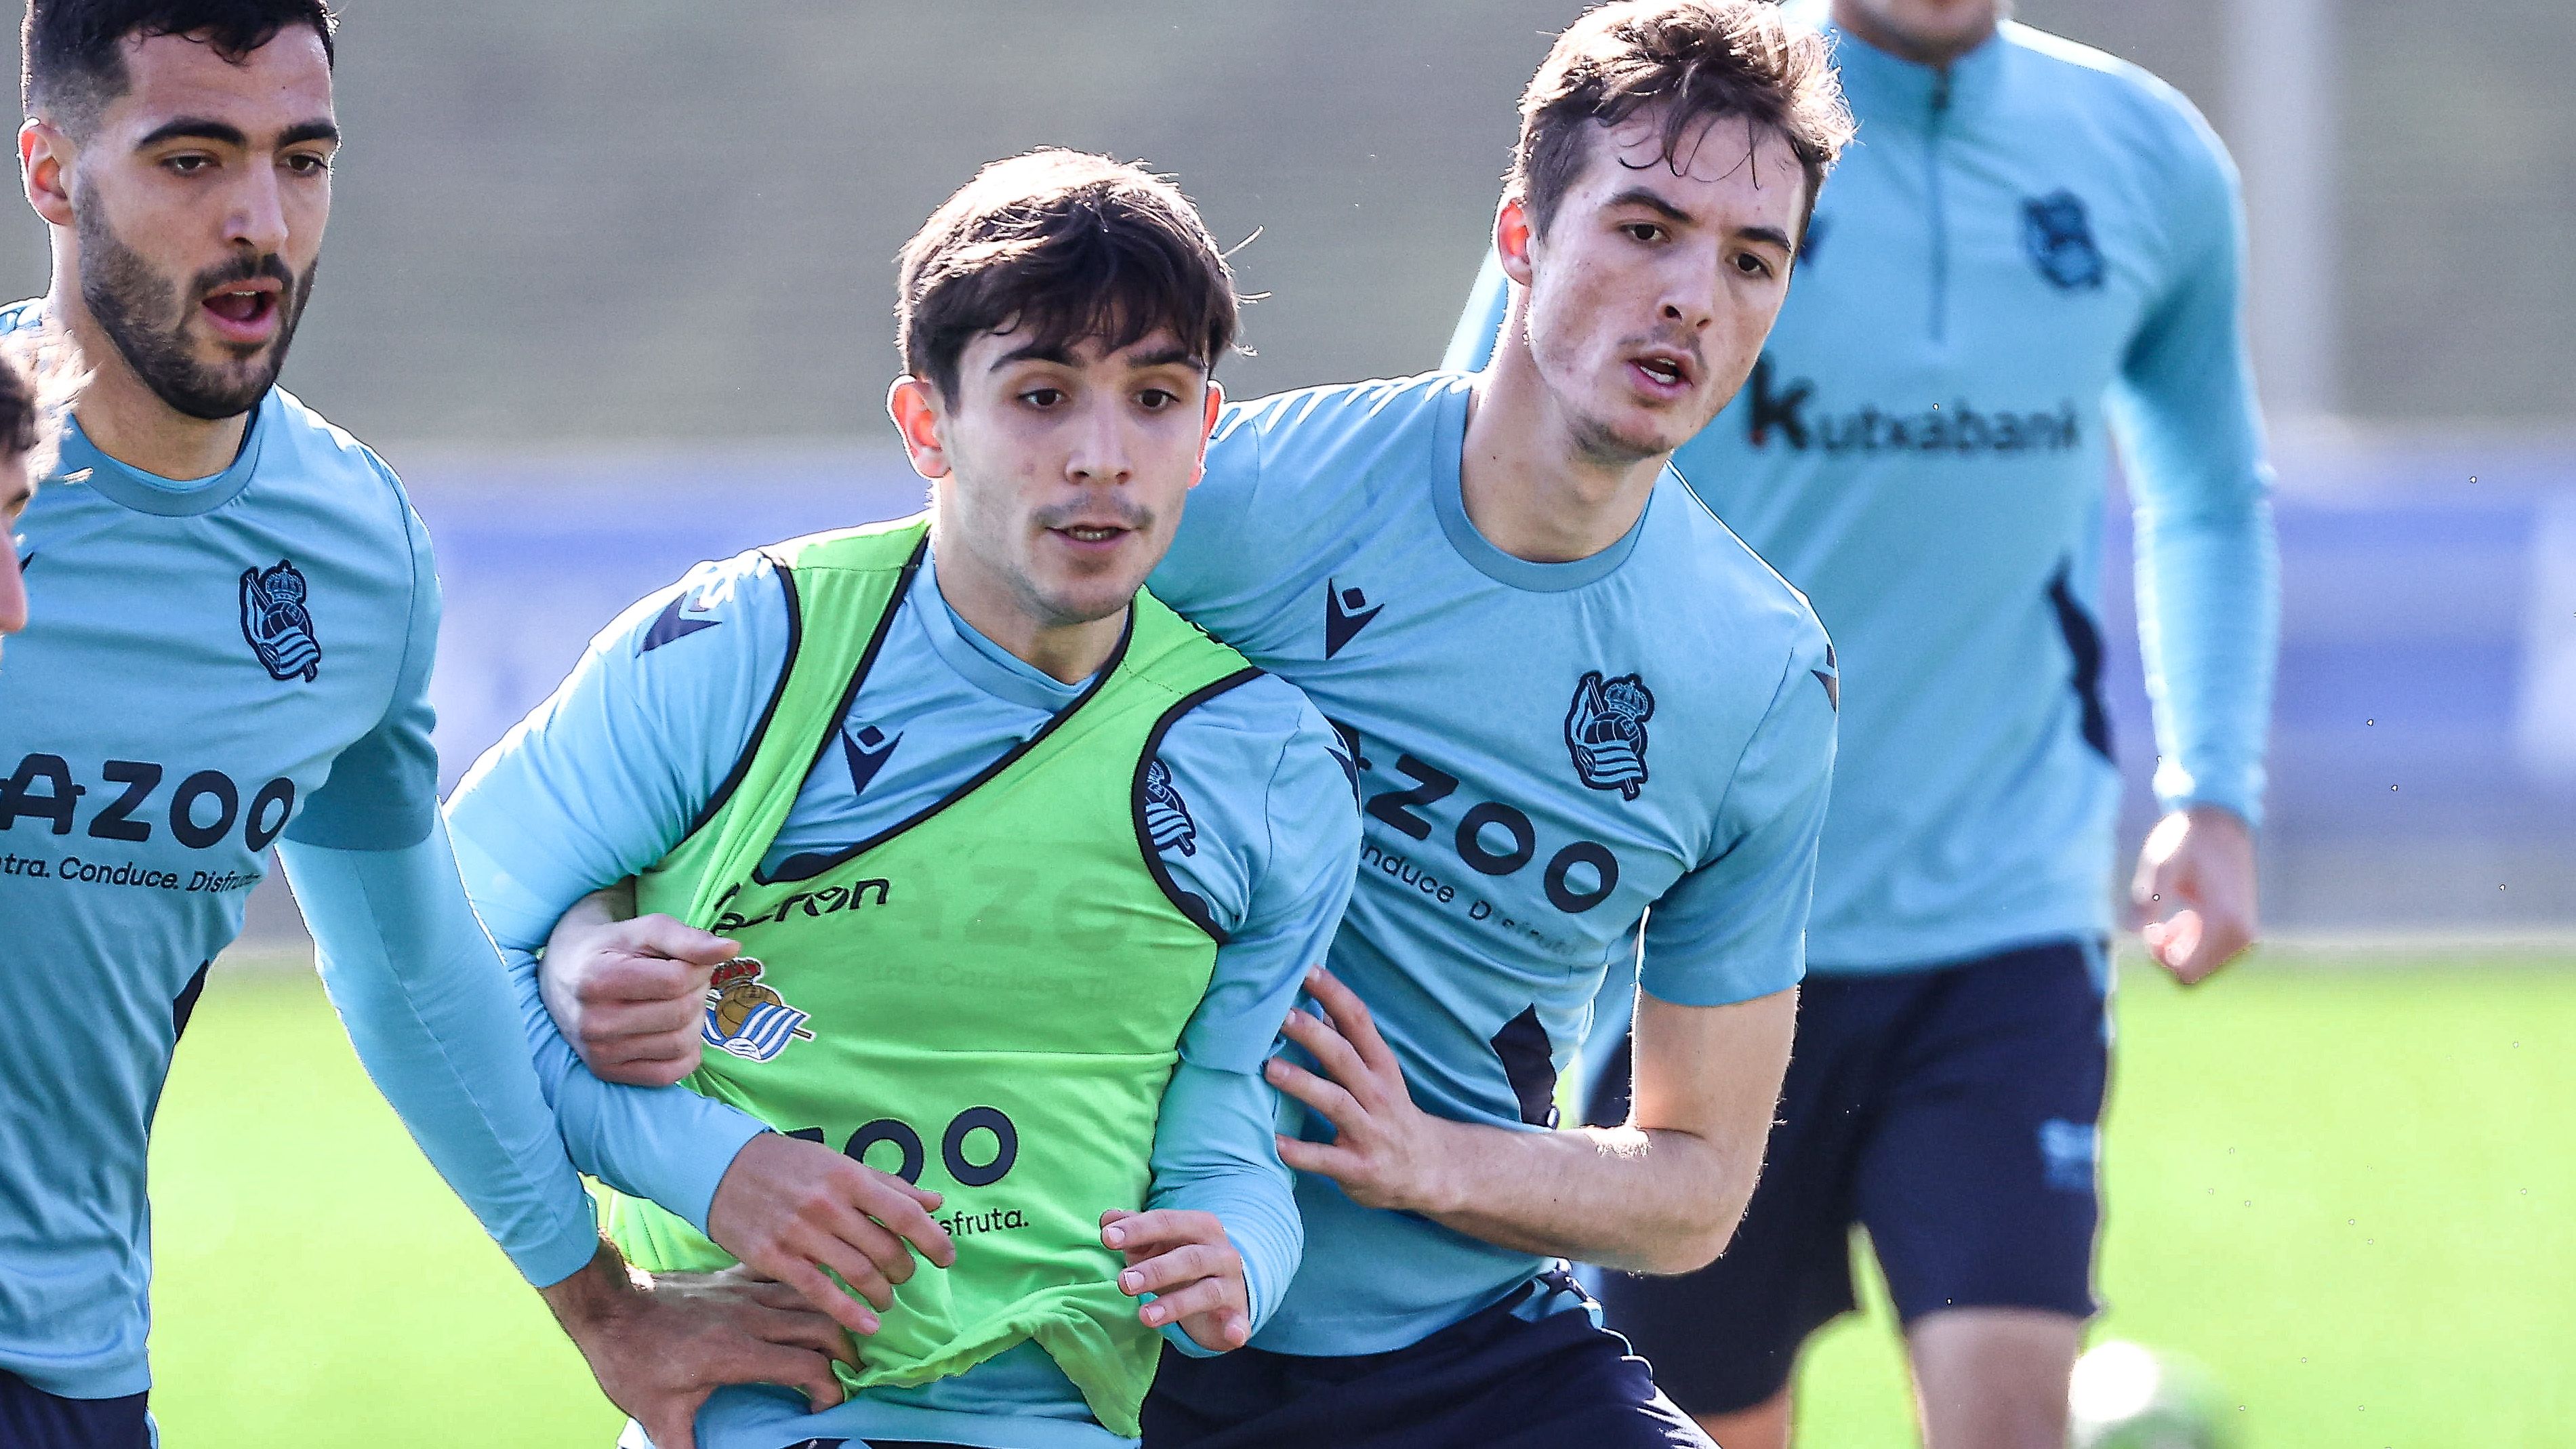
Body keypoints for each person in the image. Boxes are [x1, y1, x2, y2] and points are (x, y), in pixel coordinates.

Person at [545, 5, 1847, 1444]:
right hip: (1097, 1341)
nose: (1689, 296)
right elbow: (801, 704)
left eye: (1749, 259)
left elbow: (1693, 1193)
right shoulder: (1227, 500)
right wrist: (592, 938)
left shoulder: (1759, 677)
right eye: (1643, 229)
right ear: (1521, 240)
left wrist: (1429, 1159)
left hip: (1471, 1347)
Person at [0, 5, 861, 1446]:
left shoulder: (350, 548)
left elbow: (409, 965)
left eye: (303, 159)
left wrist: (606, 1305)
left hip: (76, 1370)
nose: (260, 223)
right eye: (194, 161)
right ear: (51, 172)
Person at [1445, 1, 2278, 1445]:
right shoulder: (1688, 126)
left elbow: (2205, 489)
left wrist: (2212, 787)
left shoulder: (2146, 155)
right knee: (1707, 1427)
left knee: (2011, 1411)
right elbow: (1483, 444)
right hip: (1693, 926)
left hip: (1998, 917)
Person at [445, 149, 1360, 1449]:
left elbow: (1226, 1132)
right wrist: (708, 1167)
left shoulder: (1267, 761)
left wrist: (1244, 1254)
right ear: (927, 423)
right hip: (769, 1400)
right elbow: (441, 964)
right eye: (1041, 395)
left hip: (1063, 1410)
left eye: (1154, 398)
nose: (1102, 455)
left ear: (1206, 430)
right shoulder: (737, 648)